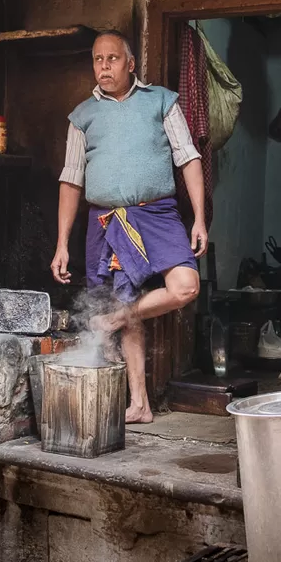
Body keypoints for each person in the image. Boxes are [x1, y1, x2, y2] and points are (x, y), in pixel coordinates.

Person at [51, 30, 208, 424]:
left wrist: (199, 218)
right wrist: (62, 244)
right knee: (125, 301)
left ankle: (111, 321)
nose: (104, 67)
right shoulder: (82, 116)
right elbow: (71, 180)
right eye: (98, 59)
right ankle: (139, 404)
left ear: (131, 63)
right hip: (105, 221)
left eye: (113, 58)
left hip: (157, 214)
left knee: (186, 286)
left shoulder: (161, 102)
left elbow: (188, 158)